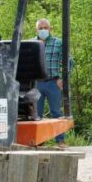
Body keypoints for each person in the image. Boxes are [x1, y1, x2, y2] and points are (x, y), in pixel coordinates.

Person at [35, 18, 71, 148]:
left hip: (53, 83)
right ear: (36, 30)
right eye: (41, 28)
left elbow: (68, 60)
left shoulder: (58, 43)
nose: (43, 30)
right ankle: (39, 141)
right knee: (36, 114)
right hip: (36, 84)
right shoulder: (32, 43)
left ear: (50, 29)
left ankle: (60, 140)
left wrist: (63, 78)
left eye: (45, 27)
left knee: (56, 112)